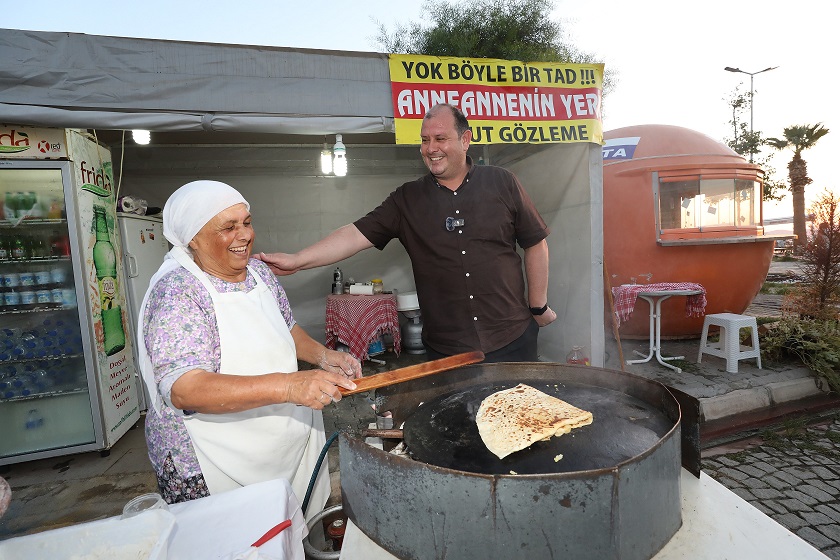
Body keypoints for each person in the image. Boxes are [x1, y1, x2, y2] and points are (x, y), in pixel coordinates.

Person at [259, 103, 557, 362]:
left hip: (512, 339)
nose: (431, 148)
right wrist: (298, 260)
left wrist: (538, 304)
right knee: (454, 427)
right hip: (448, 351)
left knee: (522, 425)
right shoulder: (407, 199)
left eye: (441, 138)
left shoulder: (502, 182)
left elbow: (535, 243)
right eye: (425, 140)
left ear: (466, 140)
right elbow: (353, 234)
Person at [138, 180, 361, 518]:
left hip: (276, 442)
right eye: (228, 227)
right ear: (192, 238)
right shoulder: (178, 293)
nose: (244, 235)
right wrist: (290, 385)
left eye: (246, 222)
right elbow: (185, 389)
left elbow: (286, 328)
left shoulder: (258, 273)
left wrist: (323, 356)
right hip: (211, 455)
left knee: (287, 534)